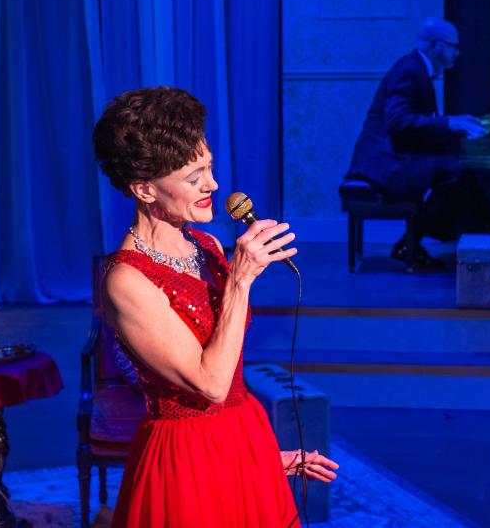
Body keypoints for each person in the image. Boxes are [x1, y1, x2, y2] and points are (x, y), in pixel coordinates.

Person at [93, 86, 338, 527]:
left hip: (243, 439)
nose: (214, 185)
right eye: (193, 177)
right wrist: (241, 279)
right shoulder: (125, 280)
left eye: (209, 168)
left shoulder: (205, 246)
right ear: (145, 189)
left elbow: (226, 383)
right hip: (184, 464)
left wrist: (261, 458)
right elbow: (209, 385)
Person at [345, 18, 490, 268]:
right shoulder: (409, 70)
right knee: (457, 173)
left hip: (396, 157)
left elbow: (417, 123)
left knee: (457, 172)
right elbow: (397, 121)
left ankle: (420, 242)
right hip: (385, 164)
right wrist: (449, 124)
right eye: (453, 47)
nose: (457, 53)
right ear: (437, 45)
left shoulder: (417, 69)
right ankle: (486, 240)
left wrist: (452, 125)